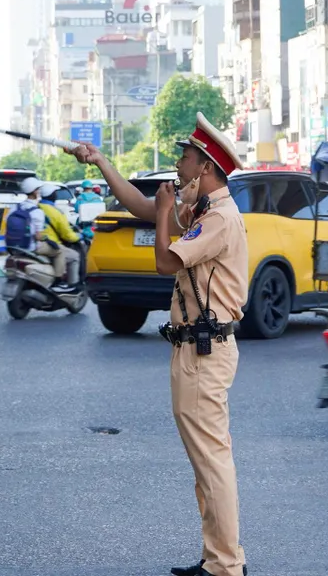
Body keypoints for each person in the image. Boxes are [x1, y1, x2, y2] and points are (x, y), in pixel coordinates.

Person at [69, 112, 249, 576]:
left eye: (185, 158)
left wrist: (167, 210)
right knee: (204, 465)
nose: (178, 165)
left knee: (212, 463)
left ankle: (227, 566)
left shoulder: (220, 219)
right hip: (192, 349)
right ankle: (217, 559)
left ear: (206, 166)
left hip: (205, 352)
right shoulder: (202, 210)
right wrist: (101, 162)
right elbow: (139, 206)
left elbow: (167, 262)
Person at [4, 177, 78, 294]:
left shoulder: (14, 208)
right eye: (38, 189)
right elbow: (38, 236)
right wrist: (48, 240)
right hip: (32, 246)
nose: (39, 191)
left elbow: (7, 224)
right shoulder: (37, 211)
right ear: (34, 191)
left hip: (14, 246)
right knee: (60, 251)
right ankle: (58, 282)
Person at [37, 182, 84, 292]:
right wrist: (79, 237)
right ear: (52, 195)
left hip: (34, 242)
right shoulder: (55, 212)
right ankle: (72, 285)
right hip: (50, 243)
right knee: (74, 256)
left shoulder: (36, 207)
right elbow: (67, 234)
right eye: (55, 193)